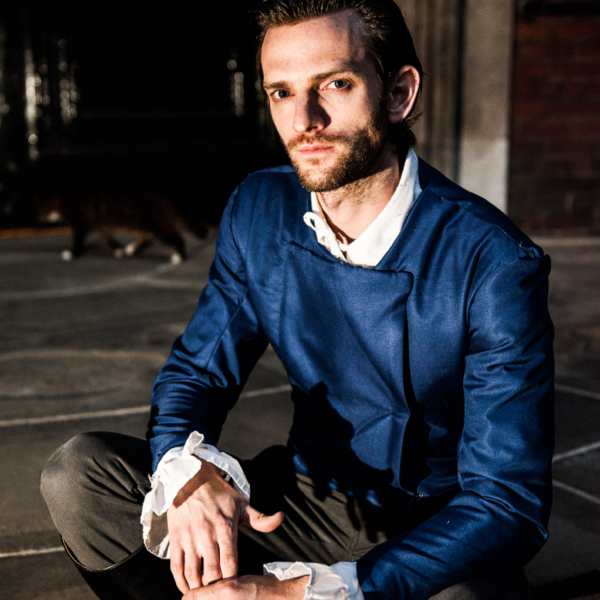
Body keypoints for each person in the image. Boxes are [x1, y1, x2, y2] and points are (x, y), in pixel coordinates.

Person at [40, 1, 555, 599]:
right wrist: (188, 472)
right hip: (300, 502)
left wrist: (297, 592)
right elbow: (196, 374)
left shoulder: (493, 260)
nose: (304, 119)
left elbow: (508, 503)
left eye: (335, 84)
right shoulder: (259, 208)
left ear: (397, 94)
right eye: (282, 92)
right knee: (78, 475)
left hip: (432, 527)